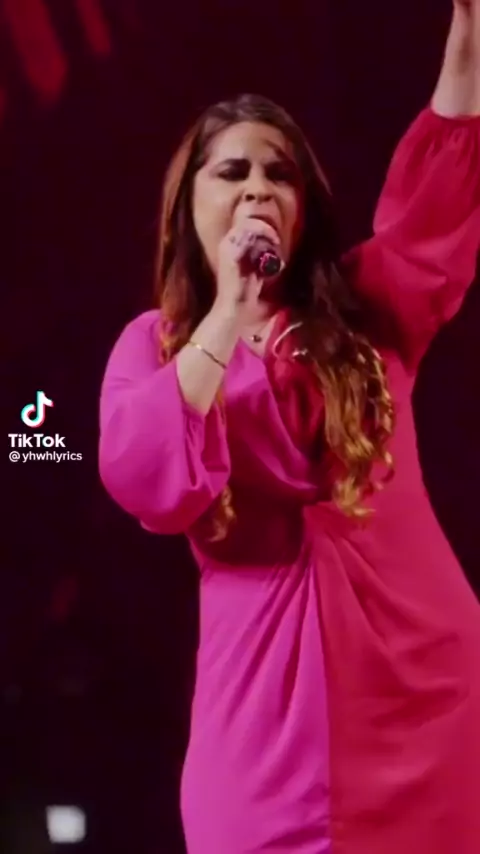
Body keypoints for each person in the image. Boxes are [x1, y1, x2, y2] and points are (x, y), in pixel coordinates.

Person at [98, 3, 480, 852]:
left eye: (280, 174)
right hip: (261, 725)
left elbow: (441, 196)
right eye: (231, 172)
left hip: (421, 700)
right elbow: (144, 475)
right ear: (187, 206)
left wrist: (467, 31)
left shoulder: (369, 310)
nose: (257, 189)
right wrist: (229, 308)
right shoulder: (155, 347)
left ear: (304, 206)